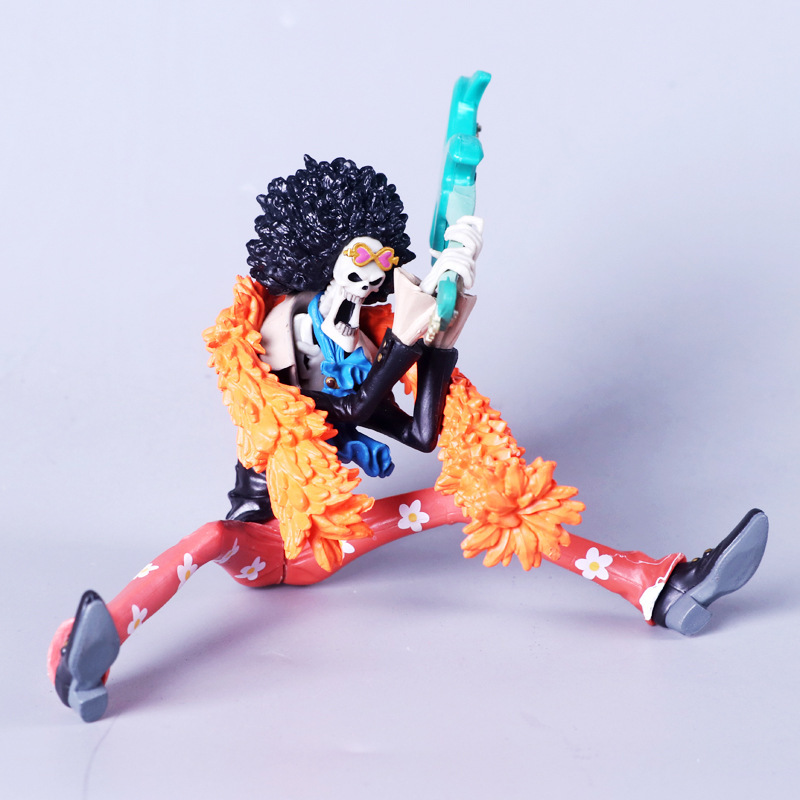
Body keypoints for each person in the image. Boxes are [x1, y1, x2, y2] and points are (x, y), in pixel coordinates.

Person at [47, 157, 768, 723]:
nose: (375, 278)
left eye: (383, 263)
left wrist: (438, 346)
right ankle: (86, 649)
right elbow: (334, 414)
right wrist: (403, 348)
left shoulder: (363, 344)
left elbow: (418, 434)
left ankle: (657, 585)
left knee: (487, 504)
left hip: (331, 540)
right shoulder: (279, 333)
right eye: (362, 258)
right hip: (267, 539)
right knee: (210, 536)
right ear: (319, 254)